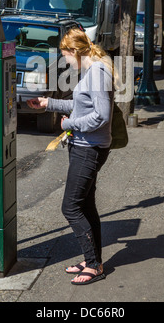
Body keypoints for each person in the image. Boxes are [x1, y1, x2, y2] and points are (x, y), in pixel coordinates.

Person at [27, 28, 115, 285]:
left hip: (90, 148)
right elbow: (81, 105)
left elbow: (102, 115)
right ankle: (92, 260)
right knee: (86, 205)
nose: (65, 60)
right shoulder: (91, 71)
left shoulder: (97, 73)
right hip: (85, 145)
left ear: (75, 51)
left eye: (65, 55)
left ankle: (94, 265)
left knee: (71, 206)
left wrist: (69, 125)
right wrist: (49, 104)